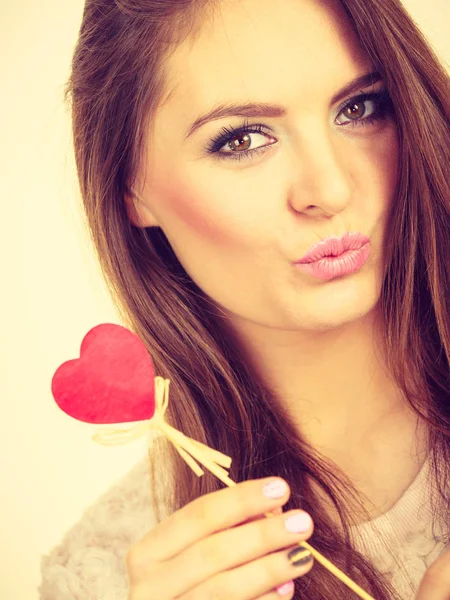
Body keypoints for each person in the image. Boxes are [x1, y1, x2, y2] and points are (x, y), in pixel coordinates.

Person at [39, 0, 450, 598]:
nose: (329, 188)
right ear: (131, 186)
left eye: (359, 108)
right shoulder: (102, 573)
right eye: (243, 139)